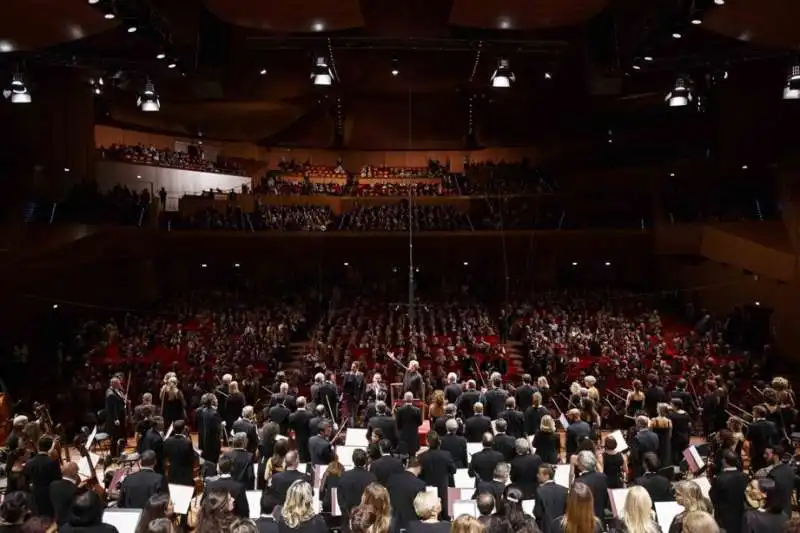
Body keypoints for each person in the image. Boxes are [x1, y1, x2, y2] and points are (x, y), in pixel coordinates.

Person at [418, 432, 456, 520]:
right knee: (445, 515)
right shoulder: (446, 455)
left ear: (427, 442)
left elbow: (419, 474)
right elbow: (453, 470)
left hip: (427, 488)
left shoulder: (422, 457)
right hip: (443, 488)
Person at [709, 449, 749, 533]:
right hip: (740, 514)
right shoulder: (745, 476)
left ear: (724, 461)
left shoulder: (720, 479)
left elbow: (712, 496)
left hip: (724, 517)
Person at [24, 436, 61, 517]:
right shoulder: (52, 462)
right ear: (50, 447)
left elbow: (26, 480)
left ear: (38, 446)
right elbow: (58, 480)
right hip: (49, 496)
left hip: (34, 495)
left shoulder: (29, 462)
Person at [386, 457, 426, 531]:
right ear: (419, 467)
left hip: (392, 521)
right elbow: (421, 507)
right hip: (411, 523)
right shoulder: (420, 484)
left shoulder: (392, 479)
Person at [338, 449, 376, 518]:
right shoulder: (372, 477)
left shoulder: (345, 476)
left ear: (353, 460)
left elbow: (340, 499)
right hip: (366, 518)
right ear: (365, 460)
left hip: (349, 516)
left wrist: (347, 515)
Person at [574, 451, 609, 519]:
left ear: (582, 464)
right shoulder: (603, 477)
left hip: (585, 518)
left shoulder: (578, 481)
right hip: (600, 516)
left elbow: (576, 503)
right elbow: (605, 499)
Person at [534, 464, 568, 533]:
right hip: (562, 527)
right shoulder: (564, 490)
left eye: (539, 474)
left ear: (547, 476)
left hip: (545, 528)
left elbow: (537, 513)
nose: (537, 475)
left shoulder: (539, 491)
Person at [162, 420, 195, 486]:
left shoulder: (167, 441)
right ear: (183, 429)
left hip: (172, 470)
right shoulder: (187, 442)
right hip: (185, 472)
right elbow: (191, 458)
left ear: (173, 429)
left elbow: (165, 457)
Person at [105, 376, 127, 458]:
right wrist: (116, 419)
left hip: (120, 417)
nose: (120, 384)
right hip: (115, 420)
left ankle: (119, 451)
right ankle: (114, 454)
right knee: (115, 437)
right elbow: (112, 408)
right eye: (118, 383)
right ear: (114, 384)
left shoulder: (116, 391)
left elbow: (120, 401)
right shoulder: (110, 394)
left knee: (119, 435)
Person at [288, 397, 313, 463]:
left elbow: (290, 430)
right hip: (309, 441)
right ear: (305, 404)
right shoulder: (310, 415)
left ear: (296, 404)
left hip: (297, 442)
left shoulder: (292, 416)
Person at [650, 403, 673, 468]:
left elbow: (651, 433)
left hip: (656, 442)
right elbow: (670, 435)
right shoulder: (669, 421)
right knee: (665, 458)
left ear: (659, 410)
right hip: (666, 443)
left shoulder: (653, 420)